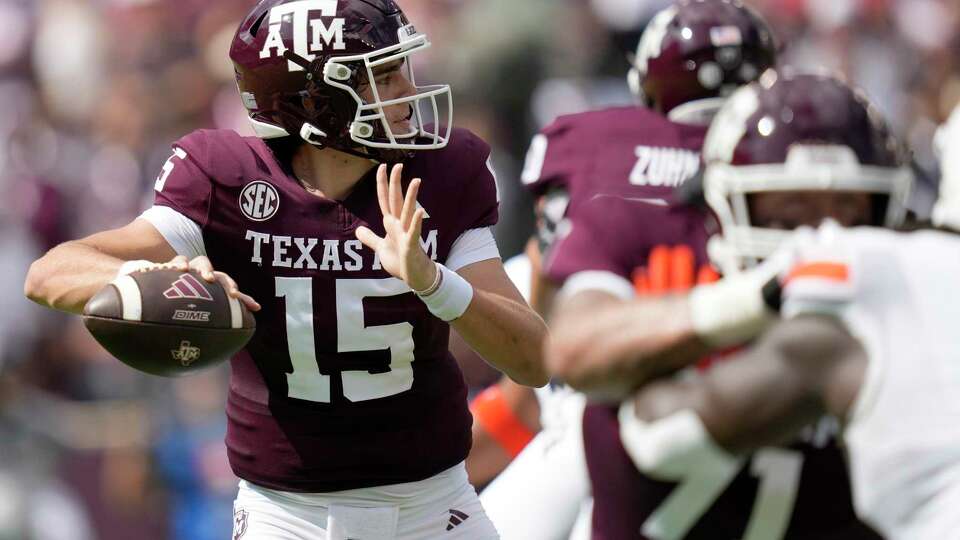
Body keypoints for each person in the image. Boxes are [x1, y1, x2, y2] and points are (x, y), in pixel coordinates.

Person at [24, 1, 549, 538]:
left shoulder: (438, 175)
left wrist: (435, 284)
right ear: (316, 100)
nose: (409, 95)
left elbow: (535, 360)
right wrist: (156, 277)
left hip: (435, 507)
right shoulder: (227, 179)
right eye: (384, 78)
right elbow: (49, 273)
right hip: (288, 516)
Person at [548, 71, 919, 538]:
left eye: (849, 208)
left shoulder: (910, 278)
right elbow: (573, 351)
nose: (824, 235)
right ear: (720, 202)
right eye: (789, 211)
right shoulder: (656, 235)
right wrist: (753, 299)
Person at [473, 2, 792, 539]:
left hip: (601, 433)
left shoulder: (596, 158)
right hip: (780, 426)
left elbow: (533, 392)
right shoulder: (790, 170)